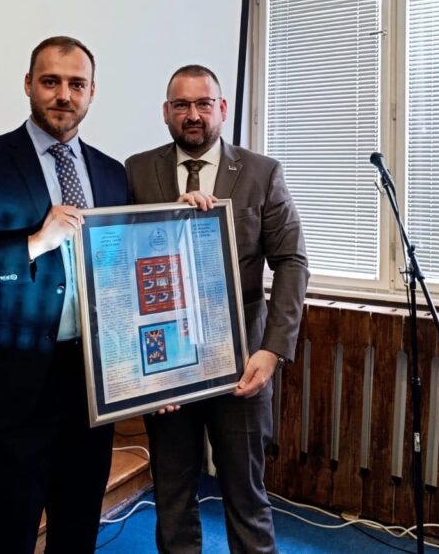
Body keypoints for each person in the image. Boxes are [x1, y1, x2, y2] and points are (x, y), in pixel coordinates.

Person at [0, 36, 127, 554]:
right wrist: (34, 243)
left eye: (76, 84)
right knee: (11, 530)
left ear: (92, 92)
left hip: (93, 383)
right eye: (50, 81)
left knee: (79, 526)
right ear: (28, 85)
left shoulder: (112, 172)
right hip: (16, 382)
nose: (63, 95)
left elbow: (128, 269)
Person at [125, 64, 308, 553]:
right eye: (181, 105)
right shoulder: (137, 170)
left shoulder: (262, 172)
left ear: (221, 109)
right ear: (166, 112)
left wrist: (273, 350)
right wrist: (142, 376)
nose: (193, 115)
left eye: (203, 104)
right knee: (172, 494)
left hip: (243, 358)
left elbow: (292, 262)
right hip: (167, 361)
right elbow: (122, 264)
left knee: (246, 494)